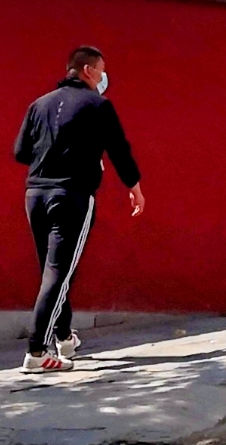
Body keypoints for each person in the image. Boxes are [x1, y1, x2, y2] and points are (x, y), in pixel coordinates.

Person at [12, 45, 145, 374]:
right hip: (71, 194)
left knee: (53, 269)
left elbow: (20, 152)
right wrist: (135, 188)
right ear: (87, 70)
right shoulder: (98, 105)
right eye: (100, 71)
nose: (102, 77)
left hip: (35, 195)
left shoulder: (38, 105)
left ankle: (63, 336)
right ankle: (37, 351)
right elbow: (118, 149)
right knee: (60, 271)